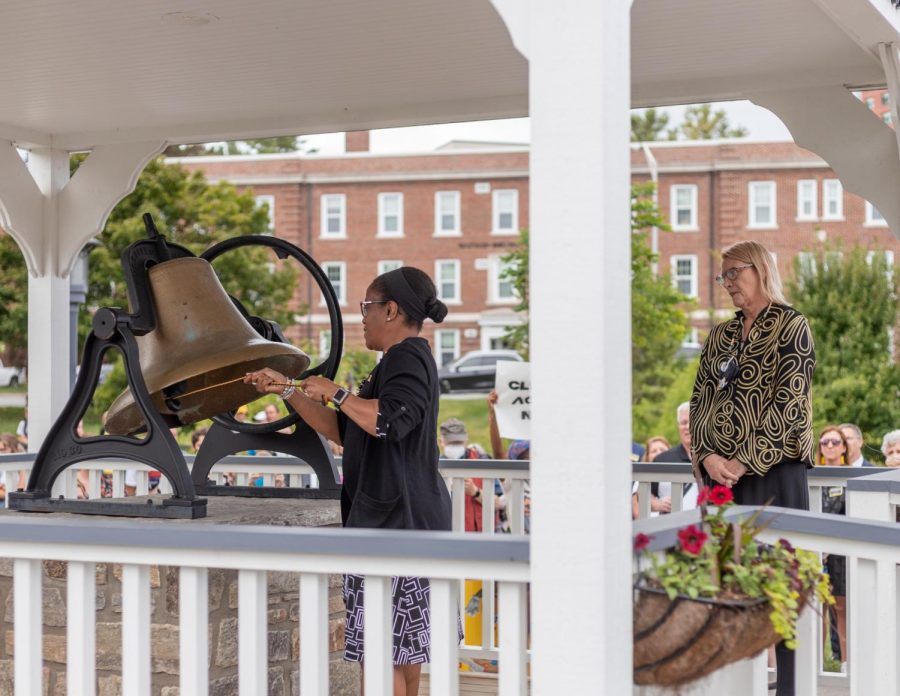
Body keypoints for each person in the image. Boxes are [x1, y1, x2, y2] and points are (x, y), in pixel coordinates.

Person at [244, 265, 454, 696]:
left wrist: (338, 393)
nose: (361, 316)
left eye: (367, 307)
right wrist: (288, 390)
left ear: (391, 310)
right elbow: (347, 431)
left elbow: (388, 422)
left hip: (394, 526)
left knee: (381, 654)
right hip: (410, 522)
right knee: (401, 653)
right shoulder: (401, 361)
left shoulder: (406, 358)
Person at [689, 240, 815, 696]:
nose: (727, 285)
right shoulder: (720, 335)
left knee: (781, 585)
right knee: (727, 582)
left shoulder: (792, 325)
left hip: (775, 473)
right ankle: (730, 686)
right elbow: (700, 399)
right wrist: (708, 456)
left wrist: (744, 459)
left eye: (733, 274)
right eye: (722, 277)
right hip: (722, 476)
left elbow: (792, 406)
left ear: (760, 269)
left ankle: (789, 688)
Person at [816, 425, 849, 667]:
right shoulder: (811, 474)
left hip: (840, 553)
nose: (829, 446)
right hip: (815, 550)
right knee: (817, 607)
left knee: (841, 607)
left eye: (835, 442)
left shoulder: (850, 477)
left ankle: (845, 662)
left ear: (844, 447)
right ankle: (817, 662)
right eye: (825, 442)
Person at [631, 436, 671, 519]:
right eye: (654, 451)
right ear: (647, 456)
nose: (658, 453)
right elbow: (637, 514)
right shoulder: (639, 481)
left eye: (662, 449)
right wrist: (650, 503)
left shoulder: (679, 478)